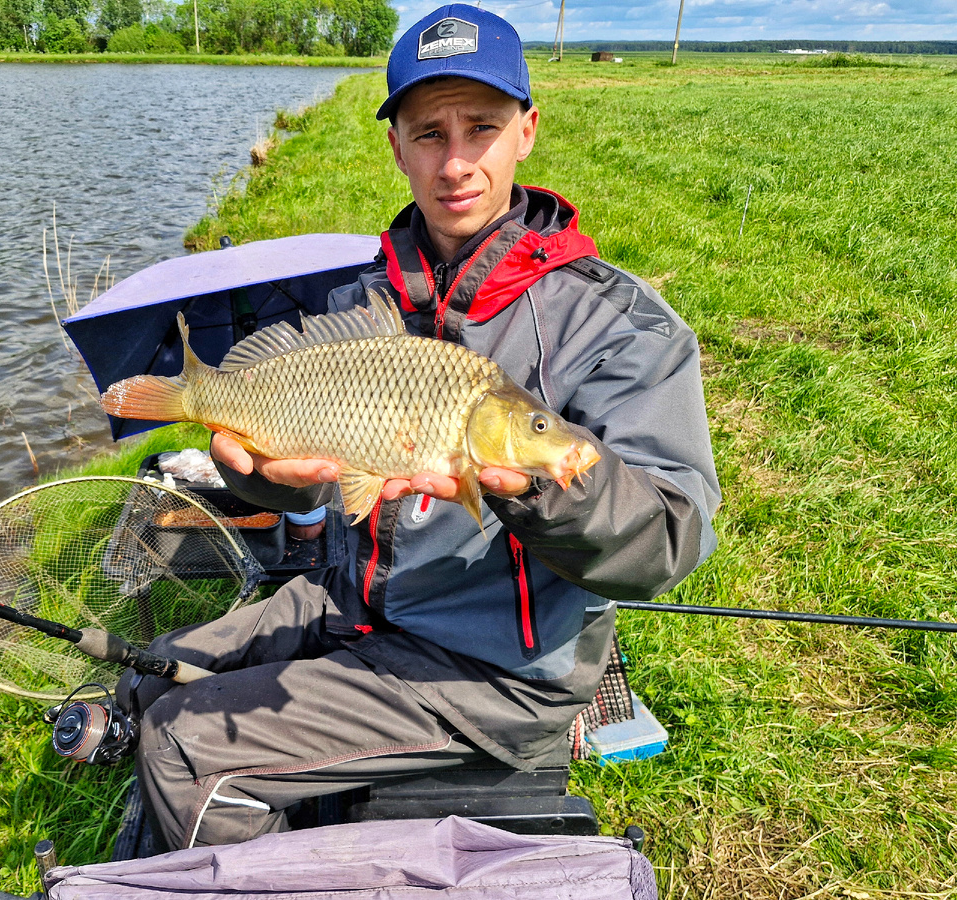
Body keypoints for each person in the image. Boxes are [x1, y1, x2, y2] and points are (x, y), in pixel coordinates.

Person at [120, 2, 721, 853]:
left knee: (183, 747)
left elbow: (669, 537)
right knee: (156, 674)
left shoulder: (617, 321)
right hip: (355, 599)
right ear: (397, 145)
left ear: (527, 132)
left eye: (482, 127)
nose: (457, 162)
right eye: (428, 133)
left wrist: (542, 490)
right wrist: (251, 468)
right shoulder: (358, 301)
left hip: (498, 671)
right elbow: (293, 467)